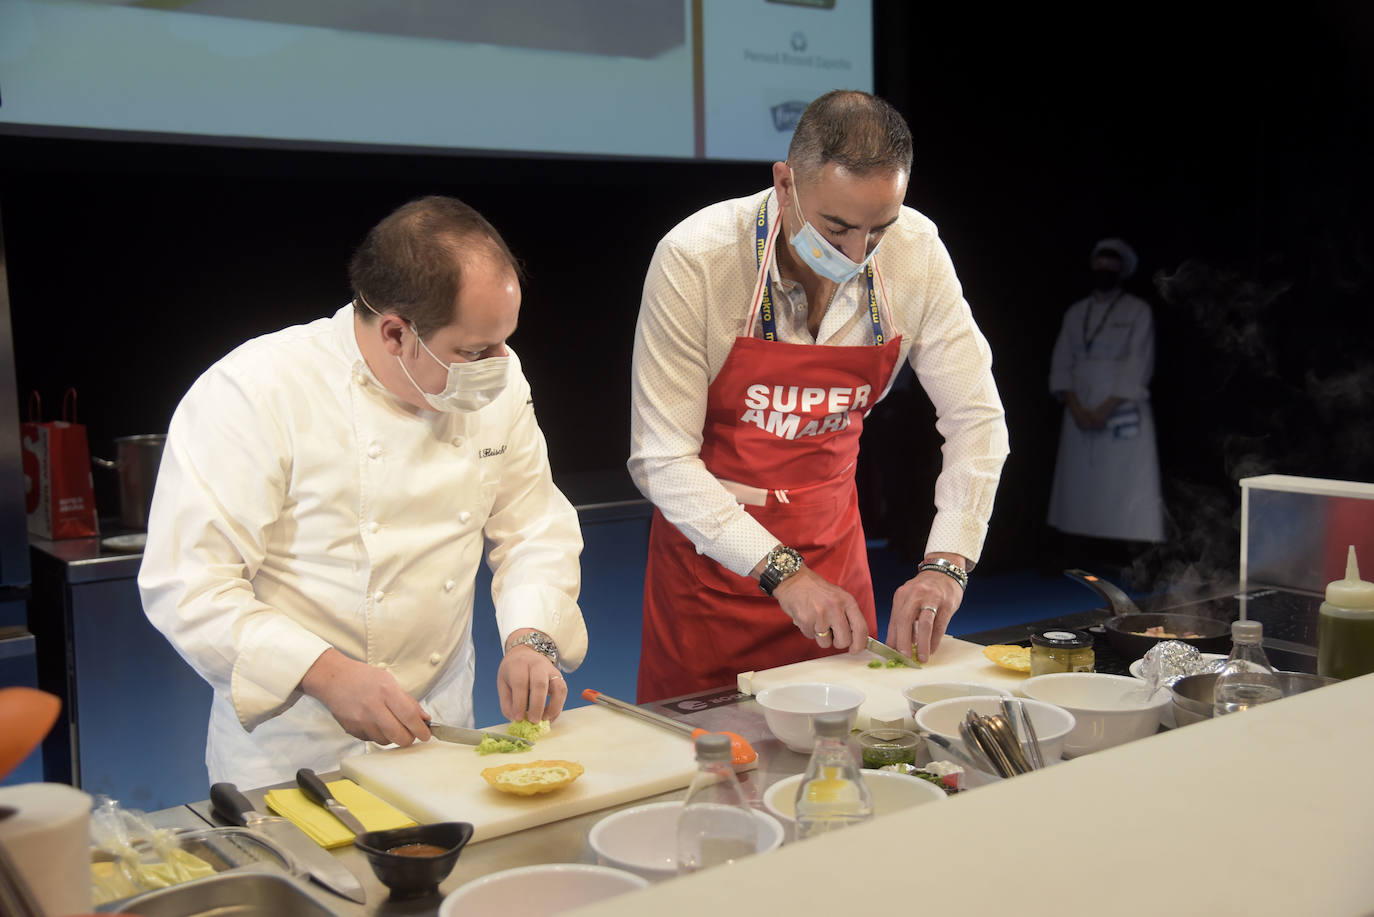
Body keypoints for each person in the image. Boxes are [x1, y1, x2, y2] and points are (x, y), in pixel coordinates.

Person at [139, 196, 587, 788]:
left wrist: (531, 638)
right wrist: (324, 672)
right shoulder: (254, 391)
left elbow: (531, 524)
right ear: (397, 332)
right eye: (475, 351)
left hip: (440, 730)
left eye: (505, 342)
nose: (501, 365)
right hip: (296, 746)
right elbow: (189, 584)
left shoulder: (495, 385)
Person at [628, 90, 1009, 702]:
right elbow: (661, 459)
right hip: (712, 579)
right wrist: (782, 572)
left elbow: (977, 420)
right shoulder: (696, 259)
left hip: (835, 567)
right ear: (785, 184)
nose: (856, 254)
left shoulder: (917, 253)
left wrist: (948, 562)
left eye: (878, 229)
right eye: (836, 227)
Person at [1046, 238, 1165, 568]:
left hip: (1120, 408)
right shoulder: (1077, 312)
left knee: (1125, 482)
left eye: (1112, 265)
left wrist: (1104, 409)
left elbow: (1139, 364)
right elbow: (1061, 363)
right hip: (1079, 408)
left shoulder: (1137, 311)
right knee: (1079, 483)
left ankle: (1132, 560)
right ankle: (1075, 555)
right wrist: (1078, 406)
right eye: (1100, 263)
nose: (1104, 270)